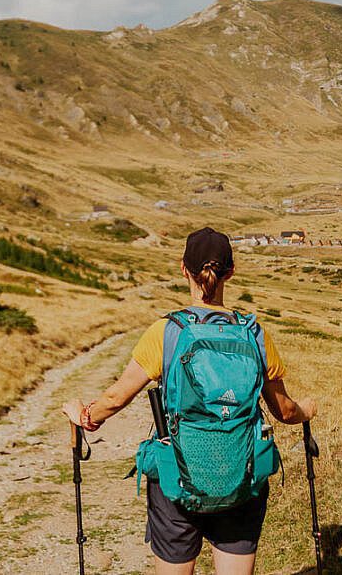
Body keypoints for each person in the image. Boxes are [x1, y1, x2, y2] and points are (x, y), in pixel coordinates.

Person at [63, 226, 317, 575]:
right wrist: (308, 410)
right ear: (230, 272)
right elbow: (285, 411)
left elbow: (117, 397)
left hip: (178, 478)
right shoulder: (254, 334)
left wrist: (85, 416)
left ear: (184, 269)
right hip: (240, 475)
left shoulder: (167, 332)